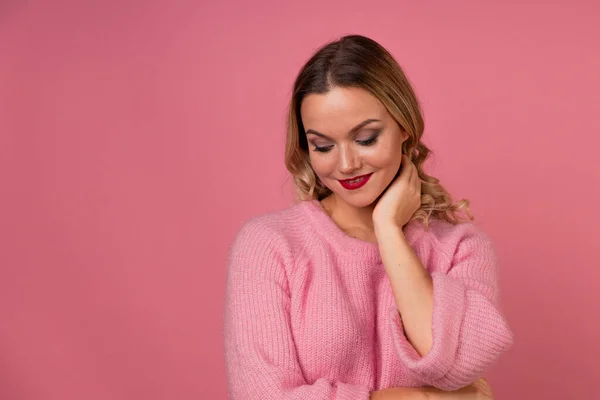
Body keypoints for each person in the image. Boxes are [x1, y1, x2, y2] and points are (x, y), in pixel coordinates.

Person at [223, 34, 514, 400]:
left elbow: (461, 366)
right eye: (323, 146)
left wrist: (389, 230)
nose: (346, 164)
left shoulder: (459, 248)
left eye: (366, 138)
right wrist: (418, 398)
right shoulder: (270, 245)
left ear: (404, 128)